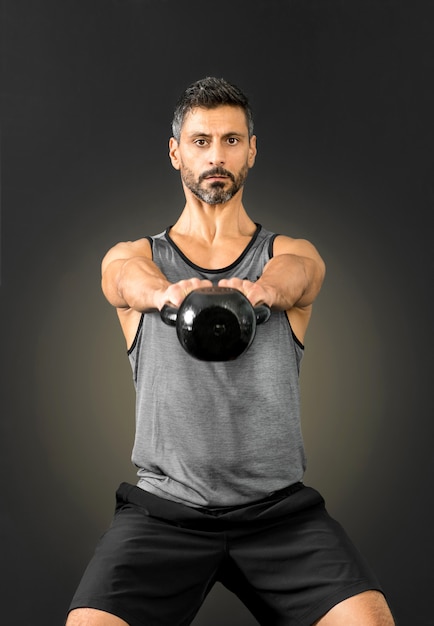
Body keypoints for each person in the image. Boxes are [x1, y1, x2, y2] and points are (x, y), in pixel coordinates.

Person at [66, 77, 395, 626]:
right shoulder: (138, 257)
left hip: (279, 515)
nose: (216, 155)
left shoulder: (286, 253)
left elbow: (301, 275)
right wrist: (165, 295)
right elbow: (123, 278)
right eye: (200, 141)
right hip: (164, 513)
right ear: (176, 152)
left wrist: (263, 290)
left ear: (252, 149)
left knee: (370, 621)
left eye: (231, 140)